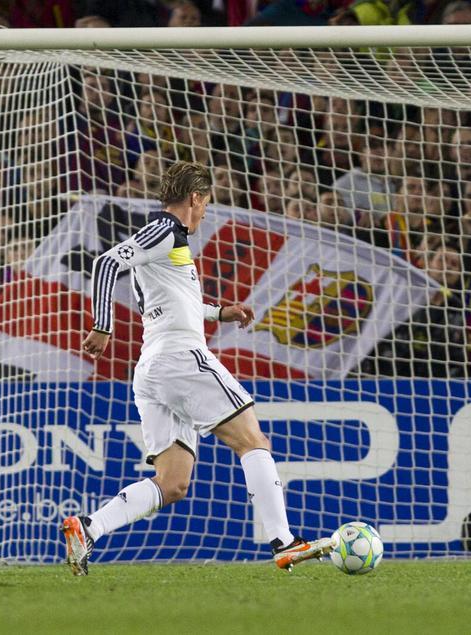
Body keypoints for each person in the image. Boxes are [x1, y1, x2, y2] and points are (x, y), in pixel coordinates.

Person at [61, 161, 333, 576]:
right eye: (206, 203)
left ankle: (89, 528)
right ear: (196, 197)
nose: (206, 212)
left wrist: (220, 312)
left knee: (172, 483)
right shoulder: (163, 230)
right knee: (252, 438)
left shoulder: (168, 246)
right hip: (179, 358)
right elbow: (104, 264)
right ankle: (284, 541)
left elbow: (173, 302)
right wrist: (102, 325)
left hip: (153, 367)